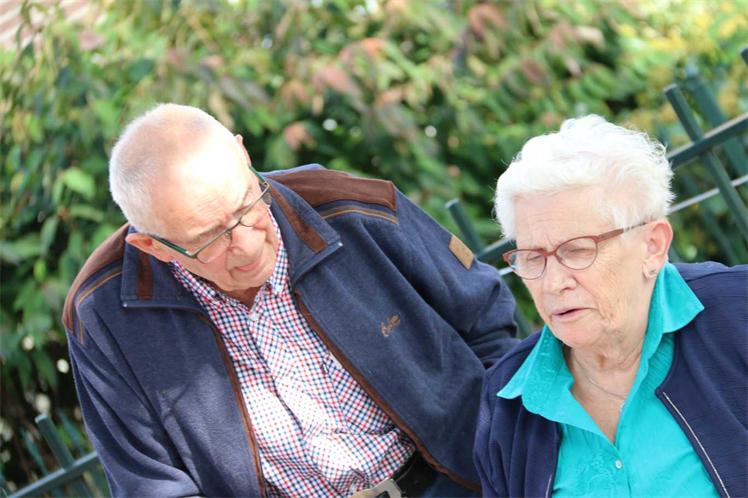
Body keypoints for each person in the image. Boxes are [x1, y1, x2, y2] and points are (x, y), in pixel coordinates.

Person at [62, 103, 518, 497]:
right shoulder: (101, 315)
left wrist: (511, 455)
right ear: (154, 247)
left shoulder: (353, 207)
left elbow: (486, 321)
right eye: (211, 238)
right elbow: (149, 482)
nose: (247, 245)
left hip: (457, 481)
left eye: (247, 205)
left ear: (243, 154)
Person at [473, 115, 747, 497]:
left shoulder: (738, 314)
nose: (553, 283)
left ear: (652, 246)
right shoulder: (507, 403)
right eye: (533, 257)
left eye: (577, 250)